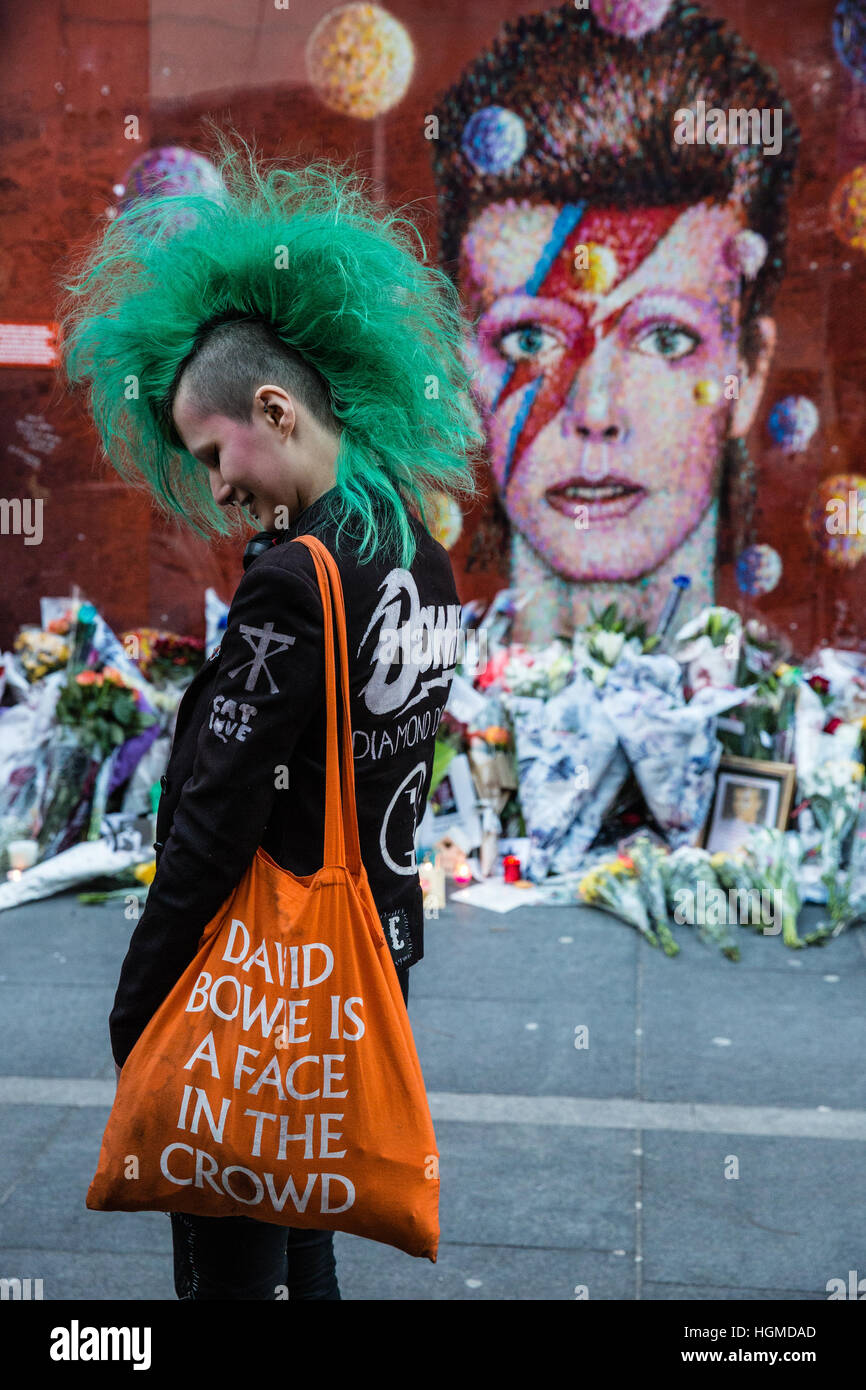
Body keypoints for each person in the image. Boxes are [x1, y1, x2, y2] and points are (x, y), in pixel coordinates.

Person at [56, 125, 482, 1299]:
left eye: (215, 448)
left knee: (229, 1252)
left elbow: (217, 809)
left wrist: (142, 998)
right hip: (369, 948)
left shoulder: (296, 573)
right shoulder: (412, 544)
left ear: (274, 407)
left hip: (264, 962)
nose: (218, 483)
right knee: (304, 1220)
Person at [429, 0, 799, 643]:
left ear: (746, 370)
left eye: (664, 338)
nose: (595, 410)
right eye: (530, 338)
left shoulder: (820, 724)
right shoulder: (407, 706)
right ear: (464, 375)